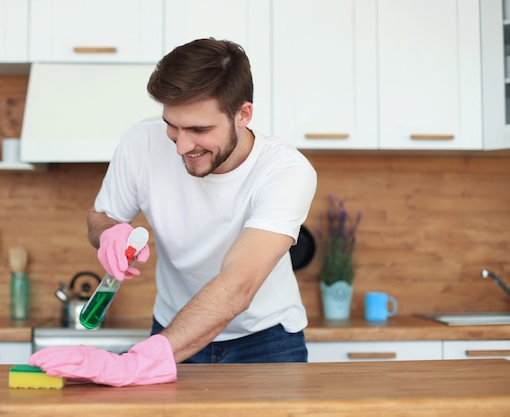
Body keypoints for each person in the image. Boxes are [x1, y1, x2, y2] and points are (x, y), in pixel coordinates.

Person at [30, 38, 317, 387]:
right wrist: (108, 232)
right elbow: (100, 215)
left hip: (266, 342)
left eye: (199, 130)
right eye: (172, 125)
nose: (181, 146)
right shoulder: (141, 143)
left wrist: (138, 364)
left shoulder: (285, 171)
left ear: (243, 115)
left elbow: (239, 283)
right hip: (171, 328)